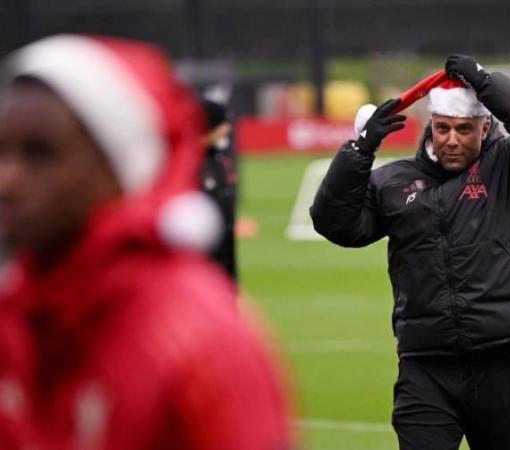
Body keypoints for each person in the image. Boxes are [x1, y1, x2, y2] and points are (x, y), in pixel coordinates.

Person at [0, 35, 293, 450]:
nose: (7, 181)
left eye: (40, 153)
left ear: (119, 165)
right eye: (2, 152)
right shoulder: (14, 314)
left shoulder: (196, 341)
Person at [311, 54, 510, 450]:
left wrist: (486, 83)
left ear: (485, 127)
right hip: (425, 366)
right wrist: (360, 150)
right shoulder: (393, 182)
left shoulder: (508, 167)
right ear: (430, 124)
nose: (451, 139)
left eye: (464, 129)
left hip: (499, 361)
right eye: (443, 127)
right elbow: (334, 223)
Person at [201, 99, 238, 280]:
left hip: (223, 259)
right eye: (223, 124)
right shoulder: (190, 165)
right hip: (202, 265)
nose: (227, 130)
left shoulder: (218, 161)